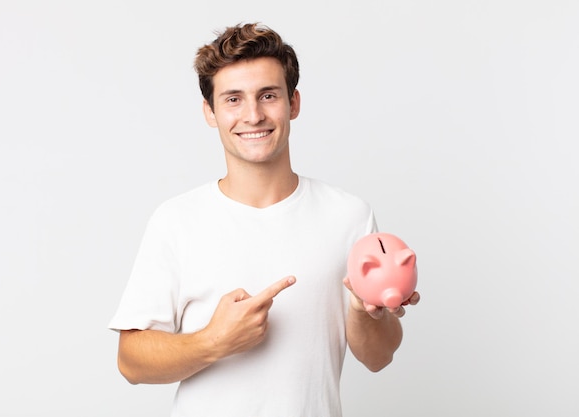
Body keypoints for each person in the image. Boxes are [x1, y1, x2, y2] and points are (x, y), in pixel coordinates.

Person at [108, 22, 419, 417]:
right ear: (210, 112)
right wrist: (214, 341)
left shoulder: (349, 216)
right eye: (233, 100)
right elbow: (130, 362)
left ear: (294, 103)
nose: (252, 115)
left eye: (268, 95)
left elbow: (378, 358)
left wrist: (364, 311)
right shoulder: (176, 221)